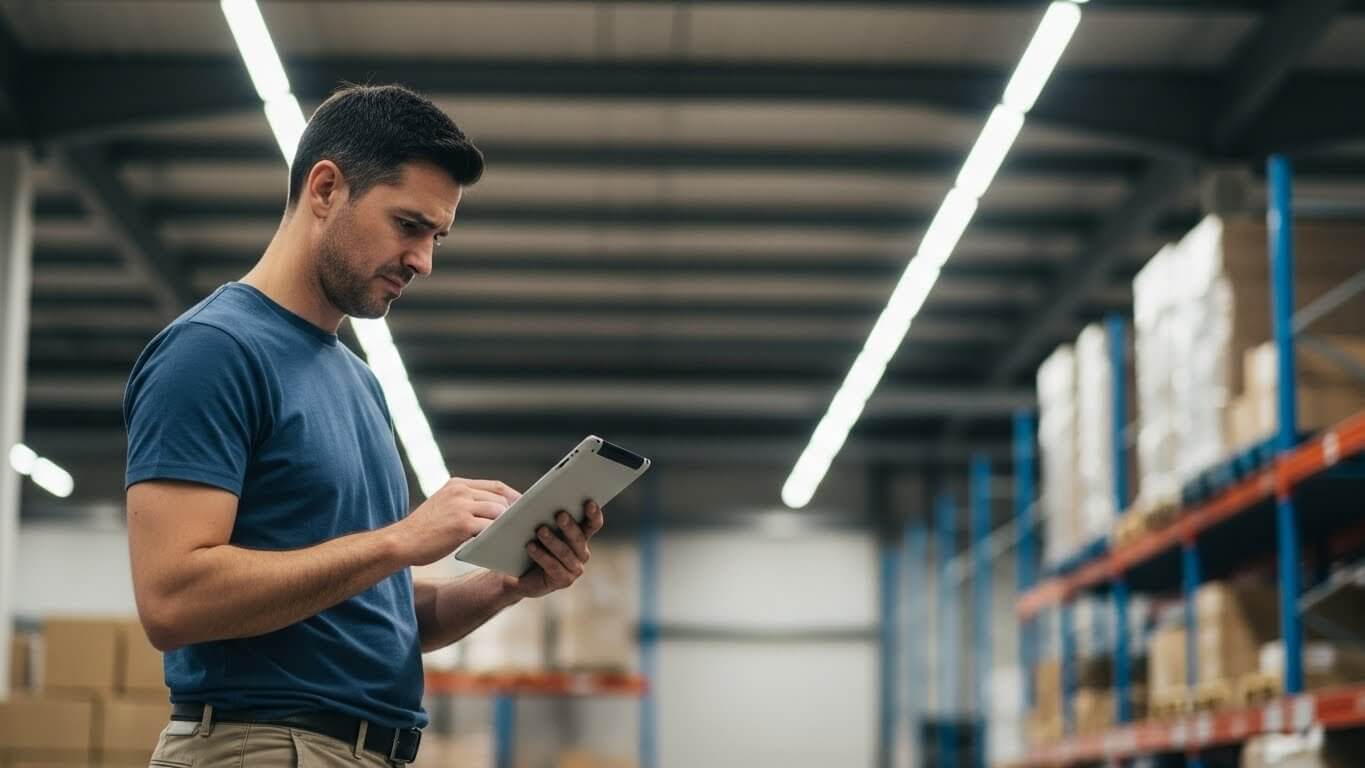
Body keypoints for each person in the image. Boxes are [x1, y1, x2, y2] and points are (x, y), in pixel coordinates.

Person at [123, 84, 603, 767]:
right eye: (408, 225)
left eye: (436, 236)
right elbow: (172, 601)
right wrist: (402, 539)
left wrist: (504, 585)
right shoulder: (214, 351)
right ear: (324, 189)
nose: (423, 260)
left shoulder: (357, 381)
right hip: (264, 746)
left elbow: (366, 613)